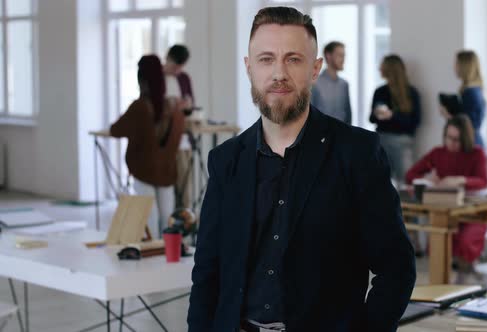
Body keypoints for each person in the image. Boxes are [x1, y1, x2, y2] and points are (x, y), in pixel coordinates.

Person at [187, 6, 415, 332]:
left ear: (315, 69)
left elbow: (396, 268)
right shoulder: (226, 160)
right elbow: (207, 272)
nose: (279, 73)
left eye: (293, 59)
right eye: (266, 59)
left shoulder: (357, 153)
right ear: (249, 68)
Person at [405, 114, 487, 282]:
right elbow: (410, 174)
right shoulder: (438, 153)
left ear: (465, 139)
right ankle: (453, 279)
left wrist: (461, 180)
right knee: (440, 238)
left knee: (465, 240)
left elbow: (483, 181)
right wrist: (427, 180)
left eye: (457, 139)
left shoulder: (476, 154)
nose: (452, 143)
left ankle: (462, 276)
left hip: (472, 215)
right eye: (448, 138)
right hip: (446, 214)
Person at [110, 55, 184, 237]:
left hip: (144, 171)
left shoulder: (139, 107)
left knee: (149, 217)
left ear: (141, 79)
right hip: (166, 171)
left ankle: (153, 255)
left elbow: (115, 130)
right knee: (168, 218)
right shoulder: (174, 109)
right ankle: (170, 255)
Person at [370, 54, 421, 183]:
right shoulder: (380, 91)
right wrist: (377, 114)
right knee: (380, 182)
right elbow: (371, 118)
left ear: (389, 69)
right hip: (381, 140)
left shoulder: (412, 93)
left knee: (405, 182)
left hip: (402, 143)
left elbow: (415, 122)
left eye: (382, 66)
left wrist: (392, 116)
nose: (379, 68)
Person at [163, 44, 195, 210]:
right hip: (161, 142)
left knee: (184, 187)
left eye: (180, 67)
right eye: (174, 66)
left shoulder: (184, 78)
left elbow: (190, 107)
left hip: (181, 139)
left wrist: (187, 105)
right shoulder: (155, 78)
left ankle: (185, 224)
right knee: (166, 187)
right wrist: (172, 107)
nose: (176, 70)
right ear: (167, 58)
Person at [439, 50, 486, 147]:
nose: (454, 67)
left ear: (464, 66)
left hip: (470, 142)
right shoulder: (475, 90)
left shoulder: (470, 93)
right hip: (473, 140)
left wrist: (448, 116)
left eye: (456, 63)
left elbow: (467, 125)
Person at [310, 41, 352, 124]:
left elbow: (348, 115)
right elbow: (310, 115)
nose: (343, 59)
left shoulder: (344, 84)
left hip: (341, 134)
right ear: (328, 56)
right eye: (340, 55)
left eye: (344, 56)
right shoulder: (315, 83)